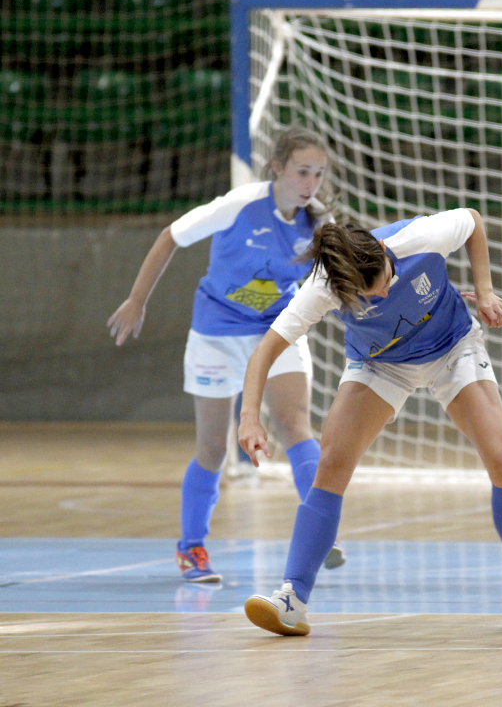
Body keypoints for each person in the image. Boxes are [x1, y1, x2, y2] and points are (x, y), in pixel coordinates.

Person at [237, 208, 502, 636]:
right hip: (380, 363)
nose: (384, 295)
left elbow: (475, 222)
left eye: (385, 281)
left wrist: (484, 290)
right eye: (371, 295)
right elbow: (265, 350)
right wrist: (248, 418)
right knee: (331, 465)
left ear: (387, 253)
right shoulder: (322, 287)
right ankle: (292, 597)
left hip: (451, 347)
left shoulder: (421, 236)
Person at [107, 126, 345, 582]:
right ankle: (191, 548)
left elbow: (339, 279)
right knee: (214, 448)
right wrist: (138, 299)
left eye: (318, 173)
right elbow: (170, 237)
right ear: (277, 168)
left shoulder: (318, 223)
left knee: (294, 424)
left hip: (277, 331)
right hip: (217, 332)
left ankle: (321, 529)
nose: (311, 182)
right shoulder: (239, 205)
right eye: (302, 171)